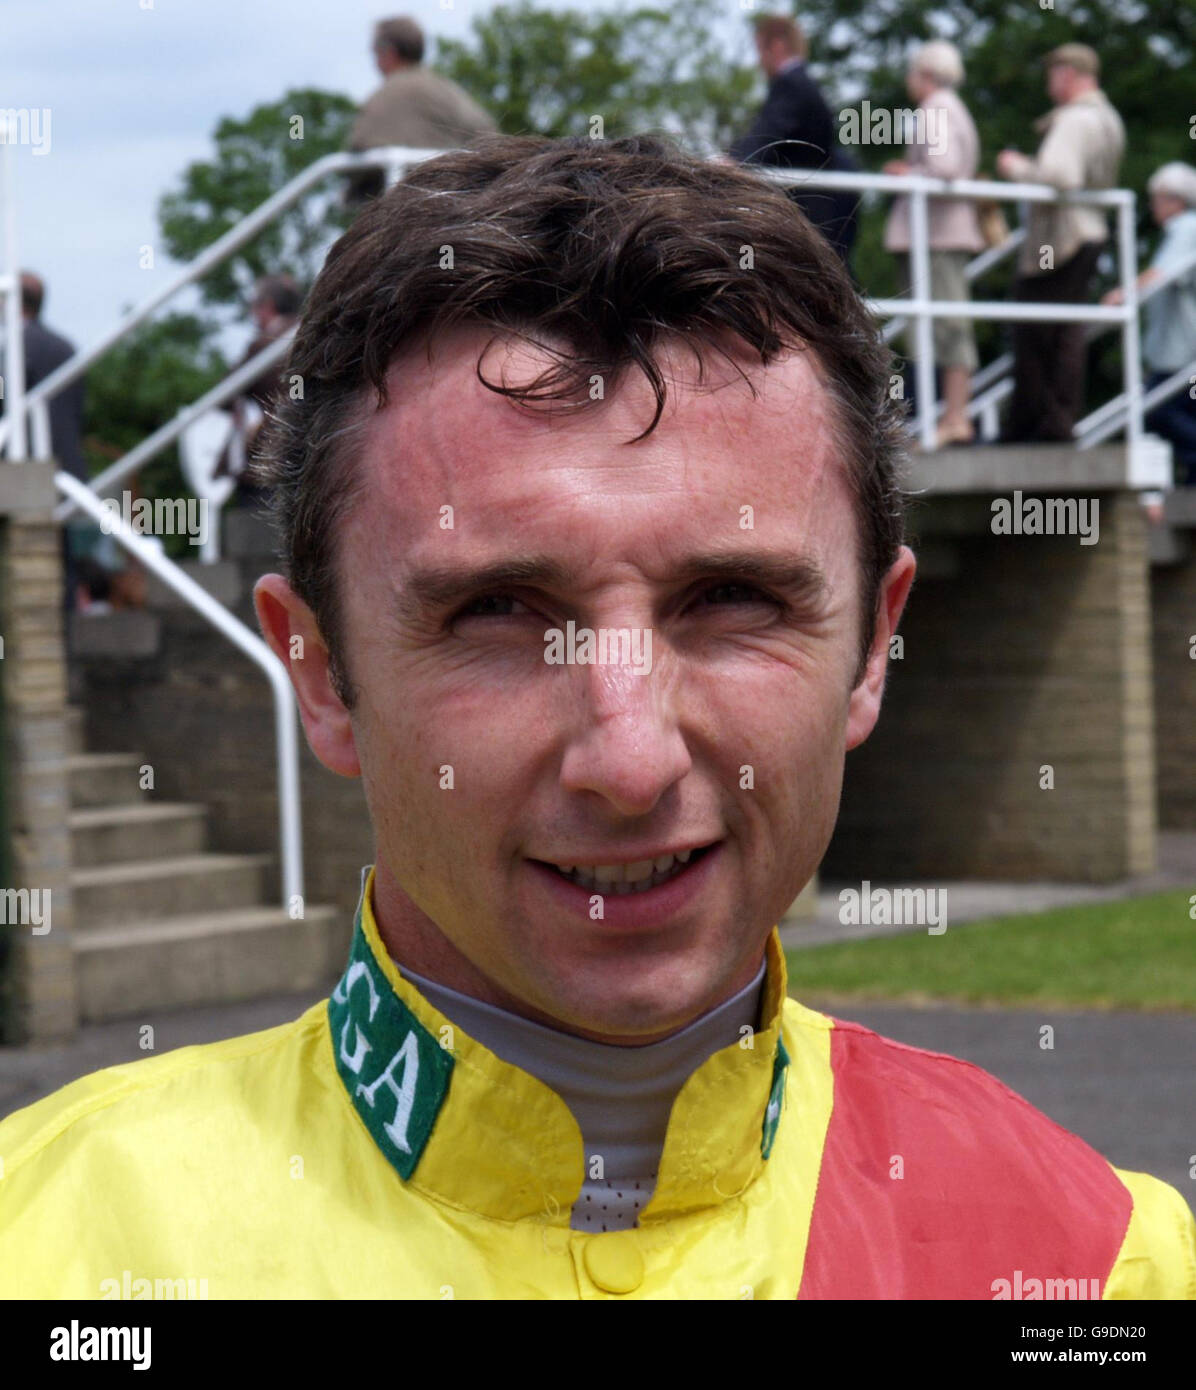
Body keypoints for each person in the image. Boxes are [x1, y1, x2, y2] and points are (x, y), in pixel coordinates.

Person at [0, 135, 1192, 1300]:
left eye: (731, 598)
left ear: (873, 649)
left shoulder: (1093, 1259)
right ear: (319, 671)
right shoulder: (43, 1240)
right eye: (499, 612)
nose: (628, 759)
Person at [997, 44, 1126, 442]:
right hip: (1089, 234)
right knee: (1065, 331)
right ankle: (1056, 424)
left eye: (1053, 73)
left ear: (1068, 74)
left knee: (1035, 332)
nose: (1049, 82)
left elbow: (1059, 175)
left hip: (1059, 240)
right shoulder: (1108, 119)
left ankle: (1031, 428)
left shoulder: (1074, 119)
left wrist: (1016, 168)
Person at [883, 41, 985, 449]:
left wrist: (907, 171)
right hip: (940, 234)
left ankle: (955, 417)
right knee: (939, 324)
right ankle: (947, 416)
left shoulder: (936, 108)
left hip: (936, 236)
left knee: (946, 324)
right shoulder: (951, 106)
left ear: (925, 74)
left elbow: (942, 168)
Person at [728, 14, 859, 263]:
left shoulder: (791, 85)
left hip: (805, 213)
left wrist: (732, 162)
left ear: (776, 46)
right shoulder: (804, 84)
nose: (758, 62)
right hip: (818, 212)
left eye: (759, 50)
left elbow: (767, 131)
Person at [1102, 163, 1196, 486]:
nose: (1153, 207)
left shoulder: (1186, 228)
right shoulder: (1184, 229)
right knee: (1167, 412)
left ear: (1174, 200)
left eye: (1156, 199)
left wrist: (1123, 294)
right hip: (1178, 350)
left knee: (1156, 411)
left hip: (1181, 351)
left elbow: (1163, 275)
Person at [344, 15, 497, 205]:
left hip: (402, 215)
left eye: (374, 51)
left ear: (388, 52)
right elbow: (493, 144)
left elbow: (357, 158)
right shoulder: (452, 93)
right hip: (462, 212)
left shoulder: (384, 97)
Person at [215, 273, 302, 506]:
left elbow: (223, 396)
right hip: (313, 452)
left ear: (268, 307)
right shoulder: (313, 336)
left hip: (269, 458)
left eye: (254, 306)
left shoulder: (263, 345)